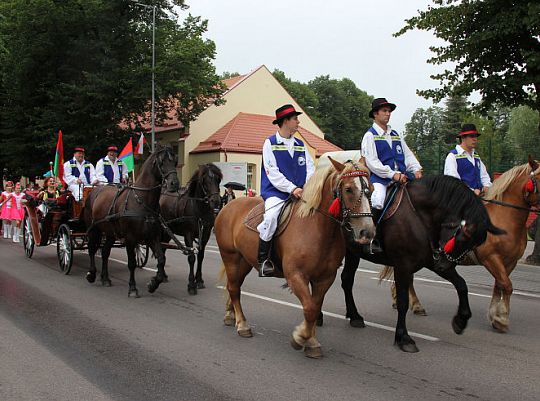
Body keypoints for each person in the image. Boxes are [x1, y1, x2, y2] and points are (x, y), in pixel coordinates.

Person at [258, 104, 315, 277]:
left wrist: (306, 188)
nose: (298, 122)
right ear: (285, 121)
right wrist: (292, 188)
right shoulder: (270, 143)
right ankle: (263, 260)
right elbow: (272, 173)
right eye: (295, 119)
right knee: (270, 217)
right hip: (276, 193)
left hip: (301, 192)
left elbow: (310, 168)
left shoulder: (300, 144)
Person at [361, 98, 423, 223]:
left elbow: (408, 155)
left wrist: (416, 169)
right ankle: (373, 235)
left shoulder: (396, 134)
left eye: (389, 111)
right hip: (381, 180)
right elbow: (372, 162)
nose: (388, 114)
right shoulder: (370, 136)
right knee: (378, 200)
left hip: (403, 177)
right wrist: (392, 174)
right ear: (375, 113)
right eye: (384, 111)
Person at [444, 123, 492, 195]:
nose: (475, 139)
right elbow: (453, 181)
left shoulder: (476, 157)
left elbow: (484, 176)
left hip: (478, 198)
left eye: (476, 136)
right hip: (460, 199)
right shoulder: (452, 156)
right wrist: (471, 191)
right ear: (463, 138)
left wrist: (487, 186)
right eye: (471, 136)